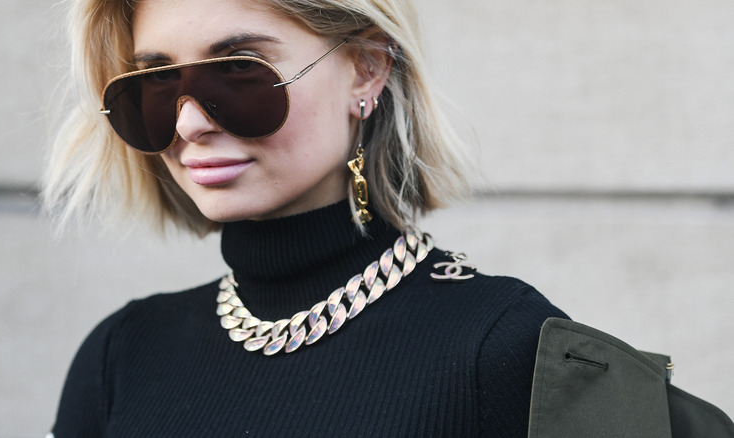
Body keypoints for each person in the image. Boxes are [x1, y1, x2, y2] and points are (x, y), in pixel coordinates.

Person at [44, 0, 568, 436]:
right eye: (156, 81)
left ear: (367, 68)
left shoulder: (505, 344)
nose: (189, 122)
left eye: (239, 68)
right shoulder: (123, 355)